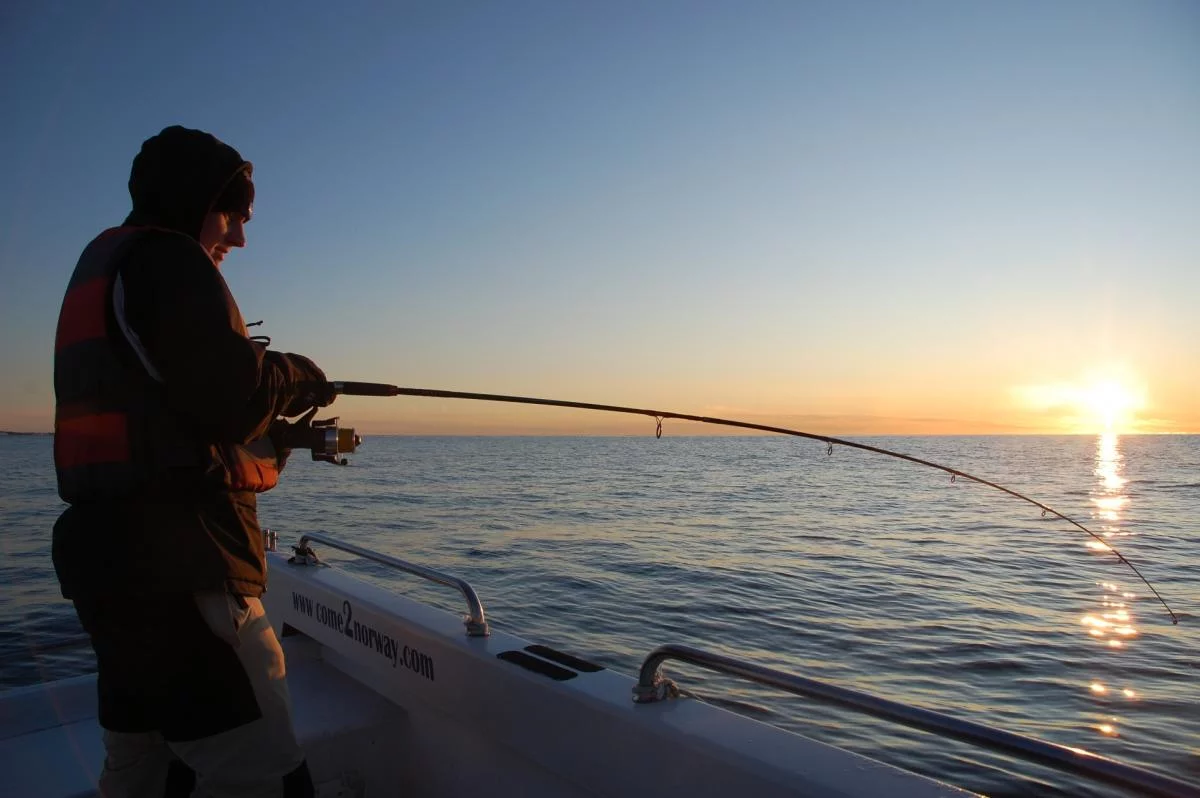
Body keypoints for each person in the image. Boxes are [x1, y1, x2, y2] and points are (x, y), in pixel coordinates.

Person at [52, 125, 331, 797]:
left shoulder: (111, 267)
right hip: (183, 578)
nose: (238, 237)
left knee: (142, 775)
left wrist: (272, 443)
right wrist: (301, 377)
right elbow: (237, 397)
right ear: (189, 202)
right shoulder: (171, 262)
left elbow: (177, 423)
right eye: (231, 215)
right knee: (264, 780)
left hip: (110, 577)